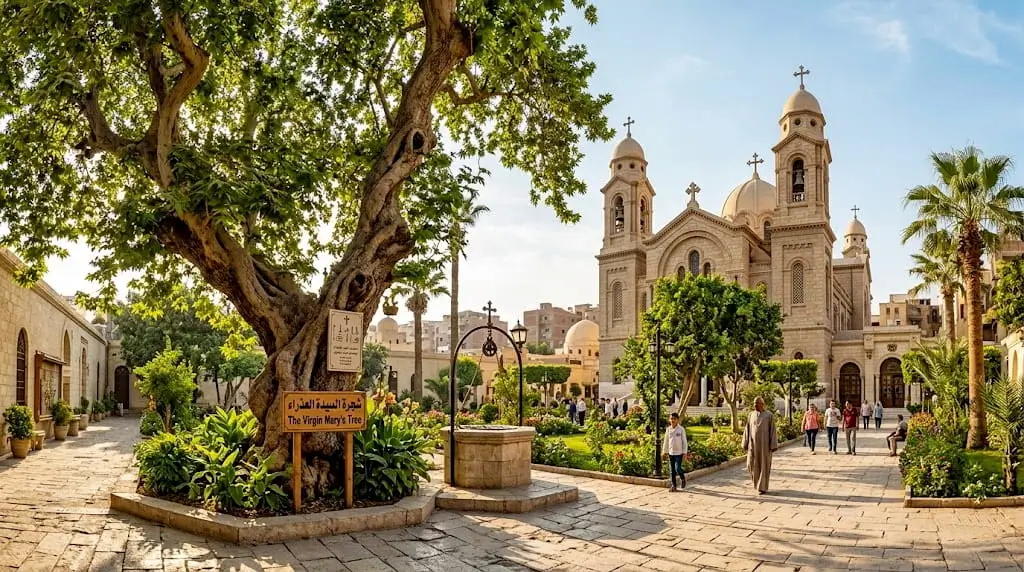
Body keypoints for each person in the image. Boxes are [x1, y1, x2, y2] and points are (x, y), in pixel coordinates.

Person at [742, 397, 778, 495]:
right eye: (754, 403)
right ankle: (757, 483)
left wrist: (773, 445)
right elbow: (747, 429)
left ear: (762, 404)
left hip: (764, 446)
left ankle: (762, 487)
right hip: (752, 445)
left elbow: (773, 431)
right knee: (750, 464)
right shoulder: (751, 415)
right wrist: (745, 443)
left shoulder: (769, 415)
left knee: (763, 466)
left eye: (757, 403)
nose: (755, 405)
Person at [663, 412, 688, 491]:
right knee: (672, 470)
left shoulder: (681, 429)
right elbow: (666, 441)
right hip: (671, 453)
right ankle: (673, 486)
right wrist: (665, 451)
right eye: (671, 419)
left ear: (677, 420)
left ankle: (682, 479)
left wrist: (684, 452)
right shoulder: (668, 429)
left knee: (678, 468)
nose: (672, 420)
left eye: (674, 419)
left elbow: (684, 441)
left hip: (679, 453)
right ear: (669, 420)